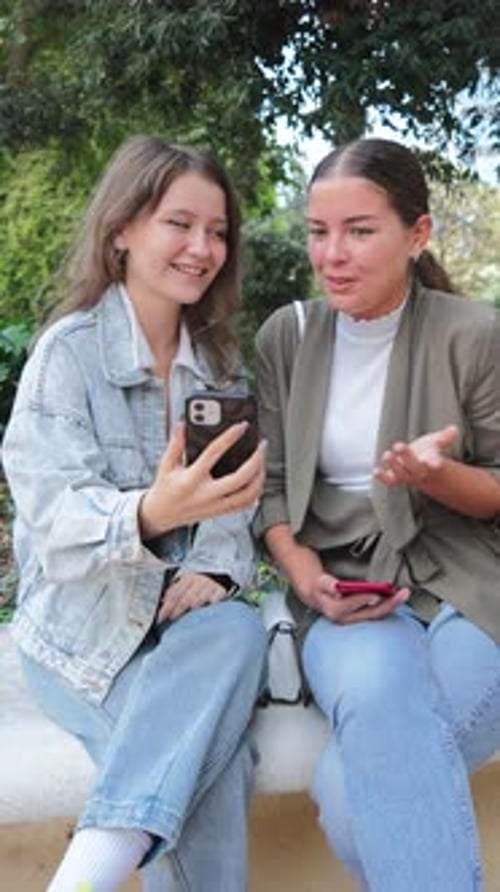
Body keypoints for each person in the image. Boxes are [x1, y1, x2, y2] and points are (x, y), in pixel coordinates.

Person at [2, 134, 268, 892]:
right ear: (121, 229)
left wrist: (216, 566)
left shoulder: (218, 367)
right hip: (84, 636)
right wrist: (149, 514)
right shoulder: (69, 355)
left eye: (217, 231)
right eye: (179, 224)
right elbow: (54, 524)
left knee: (236, 627)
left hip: (187, 633)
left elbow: (236, 508)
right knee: (213, 769)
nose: (202, 248)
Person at [253, 137, 500, 892]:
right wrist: (306, 576)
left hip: (469, 584)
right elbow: (272, 487)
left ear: (417, 234)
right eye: (318, 232)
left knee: (349, 792)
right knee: (367, 760)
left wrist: (436, 477)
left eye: (359, 231)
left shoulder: (474, 334)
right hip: (345, 592)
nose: (332, 255)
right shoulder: (288, 336)